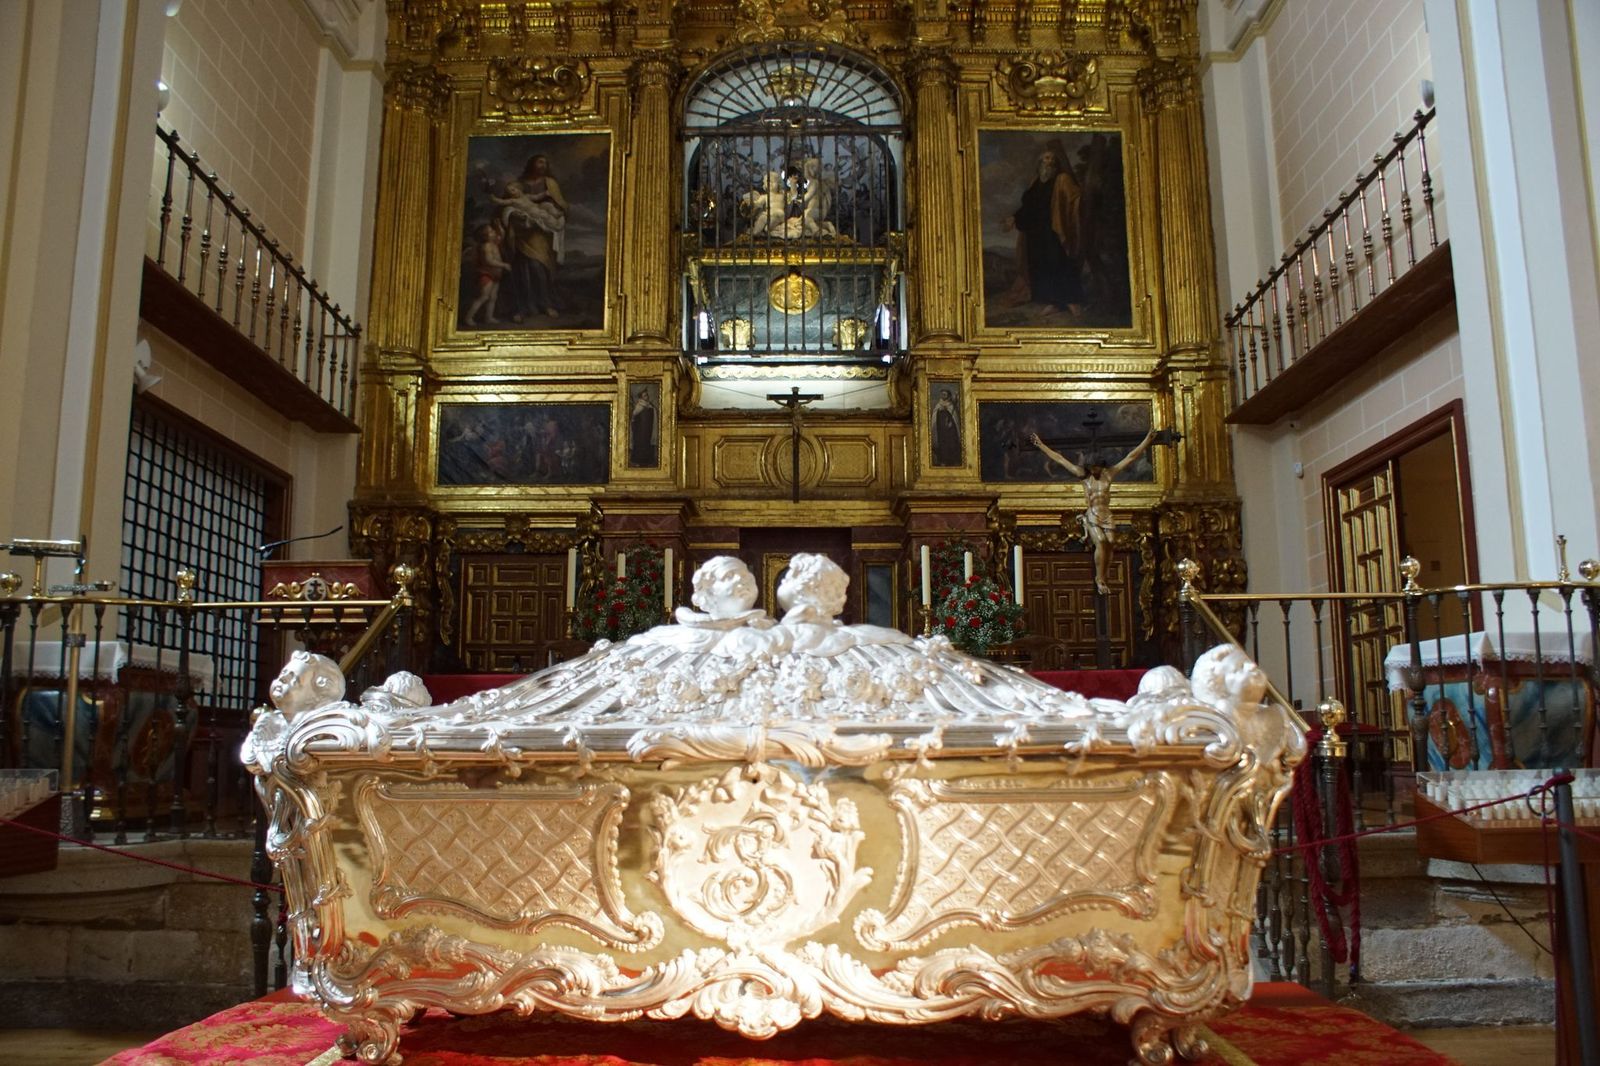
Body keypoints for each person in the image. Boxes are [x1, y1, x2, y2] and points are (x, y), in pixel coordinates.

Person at [1028, 425, 1155, 594]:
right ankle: (1099, 579)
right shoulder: (1084, 476)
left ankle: (1105, 575)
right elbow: (1060, 459)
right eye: (1094, 467)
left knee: (1110, 543)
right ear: (1089, 466)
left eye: (1098, 467)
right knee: (1101, 541)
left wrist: (1147, 440)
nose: (1096, 470)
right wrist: (1041, 445)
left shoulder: (1109, 474)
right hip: (1093, 513)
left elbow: (1130, 457)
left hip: (1107, 514)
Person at [1001, 142, 1085, 314]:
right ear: (1040, 163)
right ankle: (1053, 303)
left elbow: (1075, 197)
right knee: (1041, 266)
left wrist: (1080, 201)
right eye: (1046, 158)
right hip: (1036, 233)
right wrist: (1013, 218)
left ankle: (1071, 301)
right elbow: (1027, 207)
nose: (1050, 162)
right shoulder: (1035, 183)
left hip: (1052, 230)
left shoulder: (1062, 179)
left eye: (1052, 159)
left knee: (1059, 263)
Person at [500, 154, 567, 320]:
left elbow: (560, 205)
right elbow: (505, 203)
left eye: (545, 162)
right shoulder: (519, 184)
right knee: (522, 270)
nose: (542, 165)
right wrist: (514, 216)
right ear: (532, 163)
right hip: (522, 233)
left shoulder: (549, 183)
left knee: (539, 268)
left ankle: (546, 304)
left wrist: (550, 212)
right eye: (539, 161)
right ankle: (523, 307)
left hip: (541, 234)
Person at [463, 222, 509, 327]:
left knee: (493, 297)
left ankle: (488, 317)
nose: (494, 232)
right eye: (491, 231)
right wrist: (503, 265)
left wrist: (499, 225)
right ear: (484, 236)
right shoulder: (486, 247)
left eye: (492, 230)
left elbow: (501, 234)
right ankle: (468, 317)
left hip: (496, 274)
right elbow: (489, 261)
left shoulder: (494, 243)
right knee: (483, 296)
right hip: (487, 274)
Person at [931, 387, 961, 466]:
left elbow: (955, 418)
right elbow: (934, 419)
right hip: (941, 431)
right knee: (942, 446)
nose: (943, 395)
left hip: (951, 431)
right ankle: (943, 461)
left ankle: (953, 461)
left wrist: (952, 423)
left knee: (952, 445)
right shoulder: (938, 405)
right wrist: (940, 410)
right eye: (942, 394)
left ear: (948, 395)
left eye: (945, 394)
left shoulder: (951, 405)